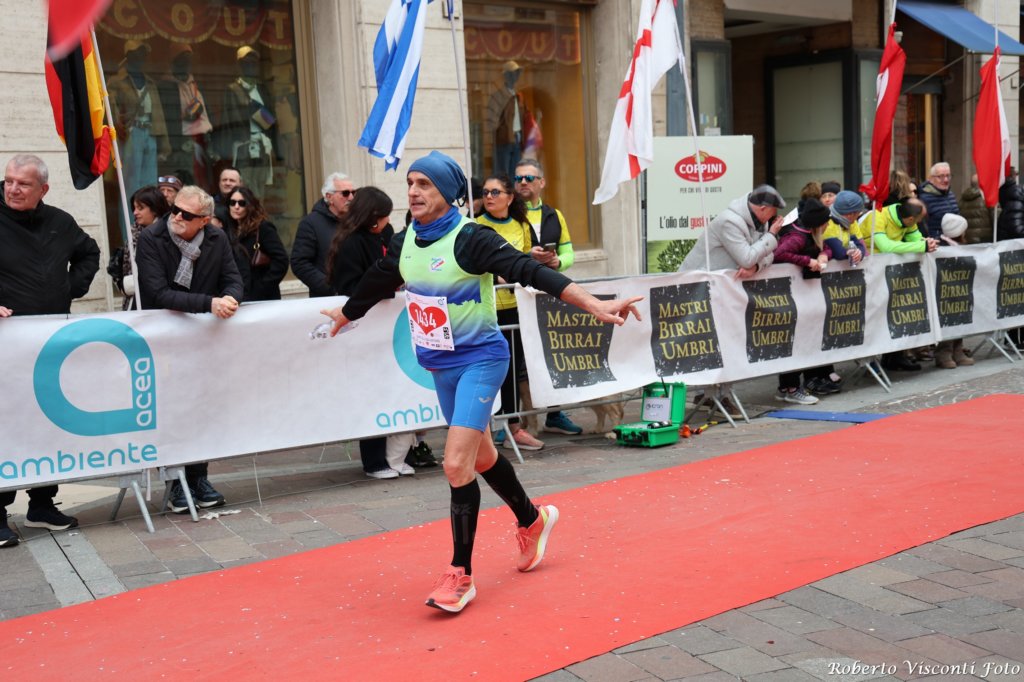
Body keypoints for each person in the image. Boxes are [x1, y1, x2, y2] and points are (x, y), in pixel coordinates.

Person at [320, 151, 642, 613]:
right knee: (482, 455)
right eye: (410, 182)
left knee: (456, 464)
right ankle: (532, 520)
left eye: (424, 184)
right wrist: (347, 312)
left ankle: (460, 575)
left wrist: (593, 303)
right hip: (440, 366)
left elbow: (532, 271)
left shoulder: (471, 238)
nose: (413, 191)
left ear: (449, 192)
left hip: (481, 360)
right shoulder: (408, 237)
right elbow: (381, 277)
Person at [0, 154, 100, 545]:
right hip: (7, 345)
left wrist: (69, 288)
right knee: (6, 426)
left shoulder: (60, 222)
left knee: (45, 421)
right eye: (8, 180)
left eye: (23, 183)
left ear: (43, 188)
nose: (12, 189)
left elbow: (90, 252)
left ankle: (42, 504)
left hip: (50, 343)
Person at [135, 185, 243, 513]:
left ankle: (199, 478)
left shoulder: (216, 238)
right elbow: (158, 292)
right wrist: (210, 303)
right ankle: (175, 482)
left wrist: (231, 298)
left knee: (200, 407)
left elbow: (233, 277)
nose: (177, 217)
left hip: (201, 337)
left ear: (204, 220)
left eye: (186, 214)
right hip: (163, 337)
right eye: (175, 210)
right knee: (172, 409)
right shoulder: (151, 238)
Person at [679, 184, 786, 417]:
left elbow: (767, 255)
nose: (776, 216)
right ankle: (714, 394)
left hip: (722, 290)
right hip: (700, 290)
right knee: (714, 342)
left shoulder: (759, 221)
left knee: (728, 340)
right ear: (762, 208)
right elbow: (747, 257)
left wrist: (756, 267)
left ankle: (715, 394)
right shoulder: (730, 221)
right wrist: (770, 238)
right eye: (773, 210)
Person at [324, 186, 405, 479]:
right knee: (371, 391)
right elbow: (352, 286)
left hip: (385, 325)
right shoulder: (351, 242)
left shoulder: (383, 235)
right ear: (373, 217)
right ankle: (373, 461)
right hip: (362, 324)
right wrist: (385, 288)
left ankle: (396, 455)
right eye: (384, 216)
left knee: (390, 389)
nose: (388, 222)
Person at [475, 174, 545, 451]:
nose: (489, 197)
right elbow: (469, 266)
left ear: (509, 197)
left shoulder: (521, 224)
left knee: (513, 369)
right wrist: (496, 277)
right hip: (485, 308)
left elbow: (525, 260)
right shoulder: (474, 225)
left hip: (516, 307)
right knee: (486, 369)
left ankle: (513, 427)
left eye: (495, 192)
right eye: (485, 192)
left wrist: (537, 259)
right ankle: (484, 428)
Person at [514, 158, 582, 437]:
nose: (523, 183)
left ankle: (554, 414)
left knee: (550, 354)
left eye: (529, 178)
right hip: (518, 295)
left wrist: (558, 263)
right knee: (518, 361)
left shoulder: (555, 214)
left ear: (542, 182)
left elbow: (568, 251)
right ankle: (515, 421)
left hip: (548, 293)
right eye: (518, 178)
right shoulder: (508, 213)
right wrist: (527, 256)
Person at [863, 198, 938, 372]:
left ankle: (894, 358)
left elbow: (917, 239)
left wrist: (927, 243)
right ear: (911, 219)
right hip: (870, 272)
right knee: (875, 315)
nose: (919, 223)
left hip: (889, 272)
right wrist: (921, 246)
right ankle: (870, 361)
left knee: (895, 313)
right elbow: (886, 246)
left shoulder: (908, 217)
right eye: (919, 220)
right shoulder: (878, 216)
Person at [771, 198, 831, 405]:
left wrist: (823, 255)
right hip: (790, 295)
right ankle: (791, 388)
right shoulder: (797, 237)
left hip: (802, 294)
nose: (829, 224)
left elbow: (827, 246)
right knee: (794, 342)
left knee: (800, 340)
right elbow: (778, 254)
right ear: (818, 223)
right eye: (826, 222)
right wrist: (807, 260)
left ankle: (786, 387)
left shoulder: (809, 233)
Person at [108, 40, 171, 199]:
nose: (141, 57)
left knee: (150, 181)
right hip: (131, 133)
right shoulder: (116, 82)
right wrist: (117, 127)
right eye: (137, 53)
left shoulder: (150, 82)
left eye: (143, 54)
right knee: (131, 182)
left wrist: (164, 142)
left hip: (150, 132)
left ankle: (150, 214)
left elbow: (158, 114)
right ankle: (130, 215)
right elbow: (110, 108)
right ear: (128, 55)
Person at [158, 42, 214, 190]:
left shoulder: (195, 84)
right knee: (186, 181)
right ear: (174, 61)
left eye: (189, 59)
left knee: (203, 180)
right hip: (181, 142)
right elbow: (165, 118)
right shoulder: (165, 86)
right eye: (182, 59)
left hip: (202, 140)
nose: (187, 63)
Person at [220, 46, 275, 195]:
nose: (251, 65)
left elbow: (271, 120)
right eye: (246, 62)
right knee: (241, 186)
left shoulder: (262, 89)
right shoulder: (233, 89)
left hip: (262, 145)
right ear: (239, 65)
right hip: (242, 145)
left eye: (253, 62)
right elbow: (229, 120)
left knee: (261, 186)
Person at [291, 172, 355, 297]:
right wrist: (330, 288)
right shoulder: (310, 223)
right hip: (327, 300)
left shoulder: (357, 221)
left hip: (357, 296)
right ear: (329, 197)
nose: (351, 198)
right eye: (345, 193)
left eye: (354, 193)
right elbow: (300, 263)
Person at [226, 185, 288, 301]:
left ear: (250, 205)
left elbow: (281, 261)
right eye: (232, 203)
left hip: (262, 298)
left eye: (242, 203)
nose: (236, 207)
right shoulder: (230, 230)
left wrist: (262, 287)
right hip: (239, 295)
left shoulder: (263, 228)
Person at [934, 213, 975, 369]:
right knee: (947, 320)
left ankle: (958, 349)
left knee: (960, 317)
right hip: (945, 291)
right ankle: (943, 352)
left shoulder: (960, 246)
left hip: (961, 289)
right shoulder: (941, 247)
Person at [120, 185, 170, 310]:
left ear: (155, 209)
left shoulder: (168, 234)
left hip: (159, 304)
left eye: (140, 208)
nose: (135, 213)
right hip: (135, 301)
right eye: (134, 208)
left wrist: (130, 283)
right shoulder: (134, 232)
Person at [488, 61, 528, 178]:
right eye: (513, 73)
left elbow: (522, 117)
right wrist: (500, 130)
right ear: (506, 76)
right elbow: (491, 120)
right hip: (503, 140)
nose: (516, 76)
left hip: (517, 139)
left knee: (515, 174)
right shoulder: (498, 96)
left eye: (517, 73)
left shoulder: (519, 96)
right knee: (503, 175)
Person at [917, 162, 959, 240]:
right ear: (931, 178)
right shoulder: (923, 198)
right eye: (941, 176)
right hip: (936, 244)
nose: (946, 180)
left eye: (948, 176)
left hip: (953, 242)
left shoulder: (950, 194)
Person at [959, 174, 993, 245]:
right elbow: (994, 219)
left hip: (967, 240)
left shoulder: (962, 200)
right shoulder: (986, 200)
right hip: (984, 241)